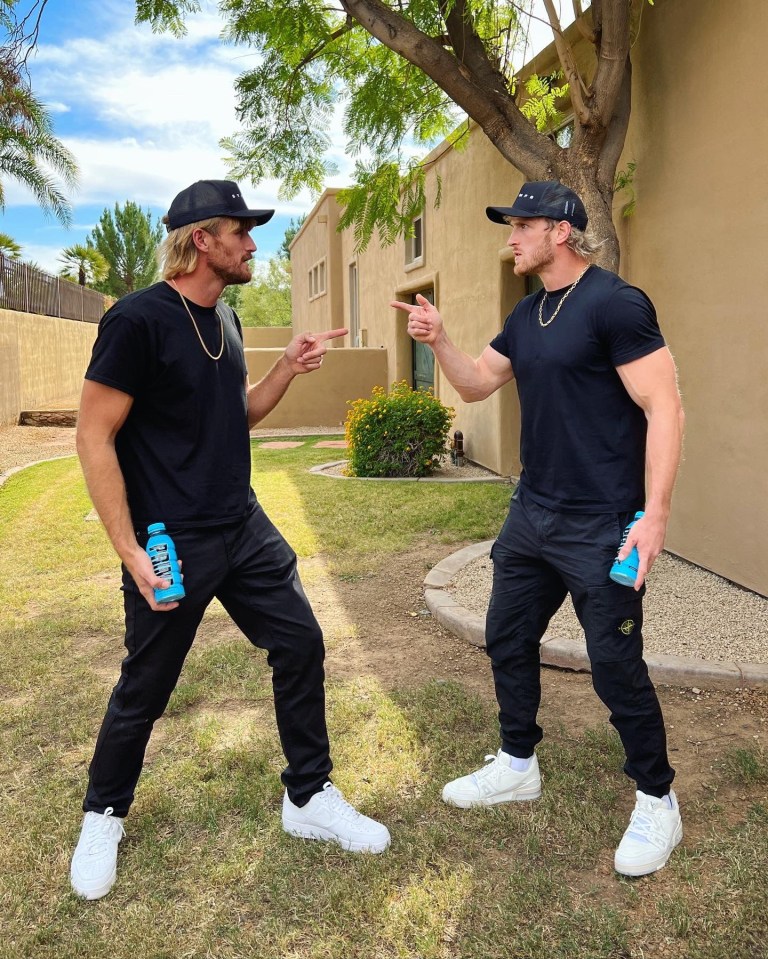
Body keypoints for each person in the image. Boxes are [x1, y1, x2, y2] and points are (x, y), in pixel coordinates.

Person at [70, 179, 390, 901]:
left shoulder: (230, 321)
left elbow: (231, 416)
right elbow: (94, 434)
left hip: (241, 524)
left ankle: (308, 796)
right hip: (169, 538)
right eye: (240, 231)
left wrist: (286, 367)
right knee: (145, 686)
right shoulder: (138, 320)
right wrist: (127, 551)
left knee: (302, 641)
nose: (252, 244)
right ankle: (103, 812)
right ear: (200, 240)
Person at [392, 180, 685, 878]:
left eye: (521, 225)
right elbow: (472, 384)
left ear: (560, 230)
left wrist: (653, 516)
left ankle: (657, 796)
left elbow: (666, 407)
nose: (510, 237)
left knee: (615, 665)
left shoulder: (617, 304)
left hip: (602, 521)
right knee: (508, 636)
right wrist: (442, 341)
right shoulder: (527, 315)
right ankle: (519, 762)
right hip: (533, 511)